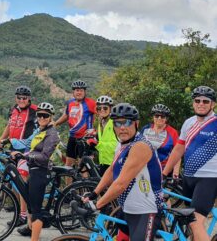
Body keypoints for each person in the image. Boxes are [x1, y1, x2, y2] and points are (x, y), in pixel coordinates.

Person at [83, 103, 163, 241]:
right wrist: (94, 193)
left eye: (127, 122)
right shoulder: (121, 144)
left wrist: (98, 204)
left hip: (147, 211)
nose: (122, 127)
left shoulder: (140, 146)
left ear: (136, 123)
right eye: (117, 123)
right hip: (127, 210)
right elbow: (112, 169)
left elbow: (121, 184)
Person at [163, 86, 217, 241]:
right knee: (190, 224)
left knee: (194, 221)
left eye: (205, 101)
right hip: (189, 177)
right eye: (197, 100)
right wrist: (164, 173)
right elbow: (178, 149)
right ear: (193, 103)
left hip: (209, 178)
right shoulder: (189, 123)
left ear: (212, 104)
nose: (201, 103)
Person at [15, 102, 60, 240]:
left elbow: (44, 156)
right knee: (30, 204)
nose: (41, 118)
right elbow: (33, 149)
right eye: (39, 115)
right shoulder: (41, 131)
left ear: (51, 117)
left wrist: (26, 156)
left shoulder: (52, 134)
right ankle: (30, 229)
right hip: (33, 170)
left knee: (36, 210)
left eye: (45, 116)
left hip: (41, 172)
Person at [0, 85, 38, 226]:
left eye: (24, 98)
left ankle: (22, 216)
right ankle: (18, 208)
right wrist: (1, 140)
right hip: (13, 148)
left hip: (26, 150)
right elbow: (9, 126)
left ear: (29, 99)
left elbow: (45, 124)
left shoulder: (34, 110)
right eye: (19, 97)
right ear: (16, 98)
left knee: (22, 180)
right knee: (15, 181)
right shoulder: (13, 110)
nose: (21, 100)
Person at [54, 80, 96, 168]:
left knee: (84, 167)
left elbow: (102, 113)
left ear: (85, 92)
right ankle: (70, 183)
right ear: (73, 92)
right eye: (77, 90)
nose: (79, 92)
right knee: (68, 165)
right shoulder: (70, 103)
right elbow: (66, 115)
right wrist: (55, 123)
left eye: (81, 90)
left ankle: (85, 182)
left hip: (85, 139)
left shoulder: (91, 103)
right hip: (72, 137)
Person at [141, 104, 180, 175]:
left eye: (162, 116)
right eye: (156, 116)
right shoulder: (145, 129)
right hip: (144, 168)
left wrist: (176, 173)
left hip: (163, 171)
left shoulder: (173, 132)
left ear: (166, 118)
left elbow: (178, 153)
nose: (159, 118)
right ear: (153, 117)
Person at [95, 95, 117, 176]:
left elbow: (116, 145)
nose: (102, 110)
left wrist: (97, 144)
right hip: (103, 162)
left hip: (114, 163)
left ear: (110, 108)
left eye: (105, 108)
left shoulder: (115, 122)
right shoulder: (101, 122)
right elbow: (103, 140)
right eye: (99, 108)